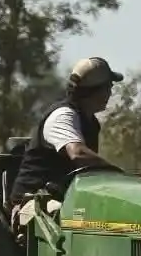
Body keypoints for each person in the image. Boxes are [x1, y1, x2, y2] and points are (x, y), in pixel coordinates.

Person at [8, 56, 123, 224]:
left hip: (66, 200)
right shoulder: (62, 116)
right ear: (95, 91)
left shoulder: (90, 122)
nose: (110, 92)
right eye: (108, 87)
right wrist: (116, 173)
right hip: (33, 203)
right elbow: (78, 153)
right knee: (67, 220)